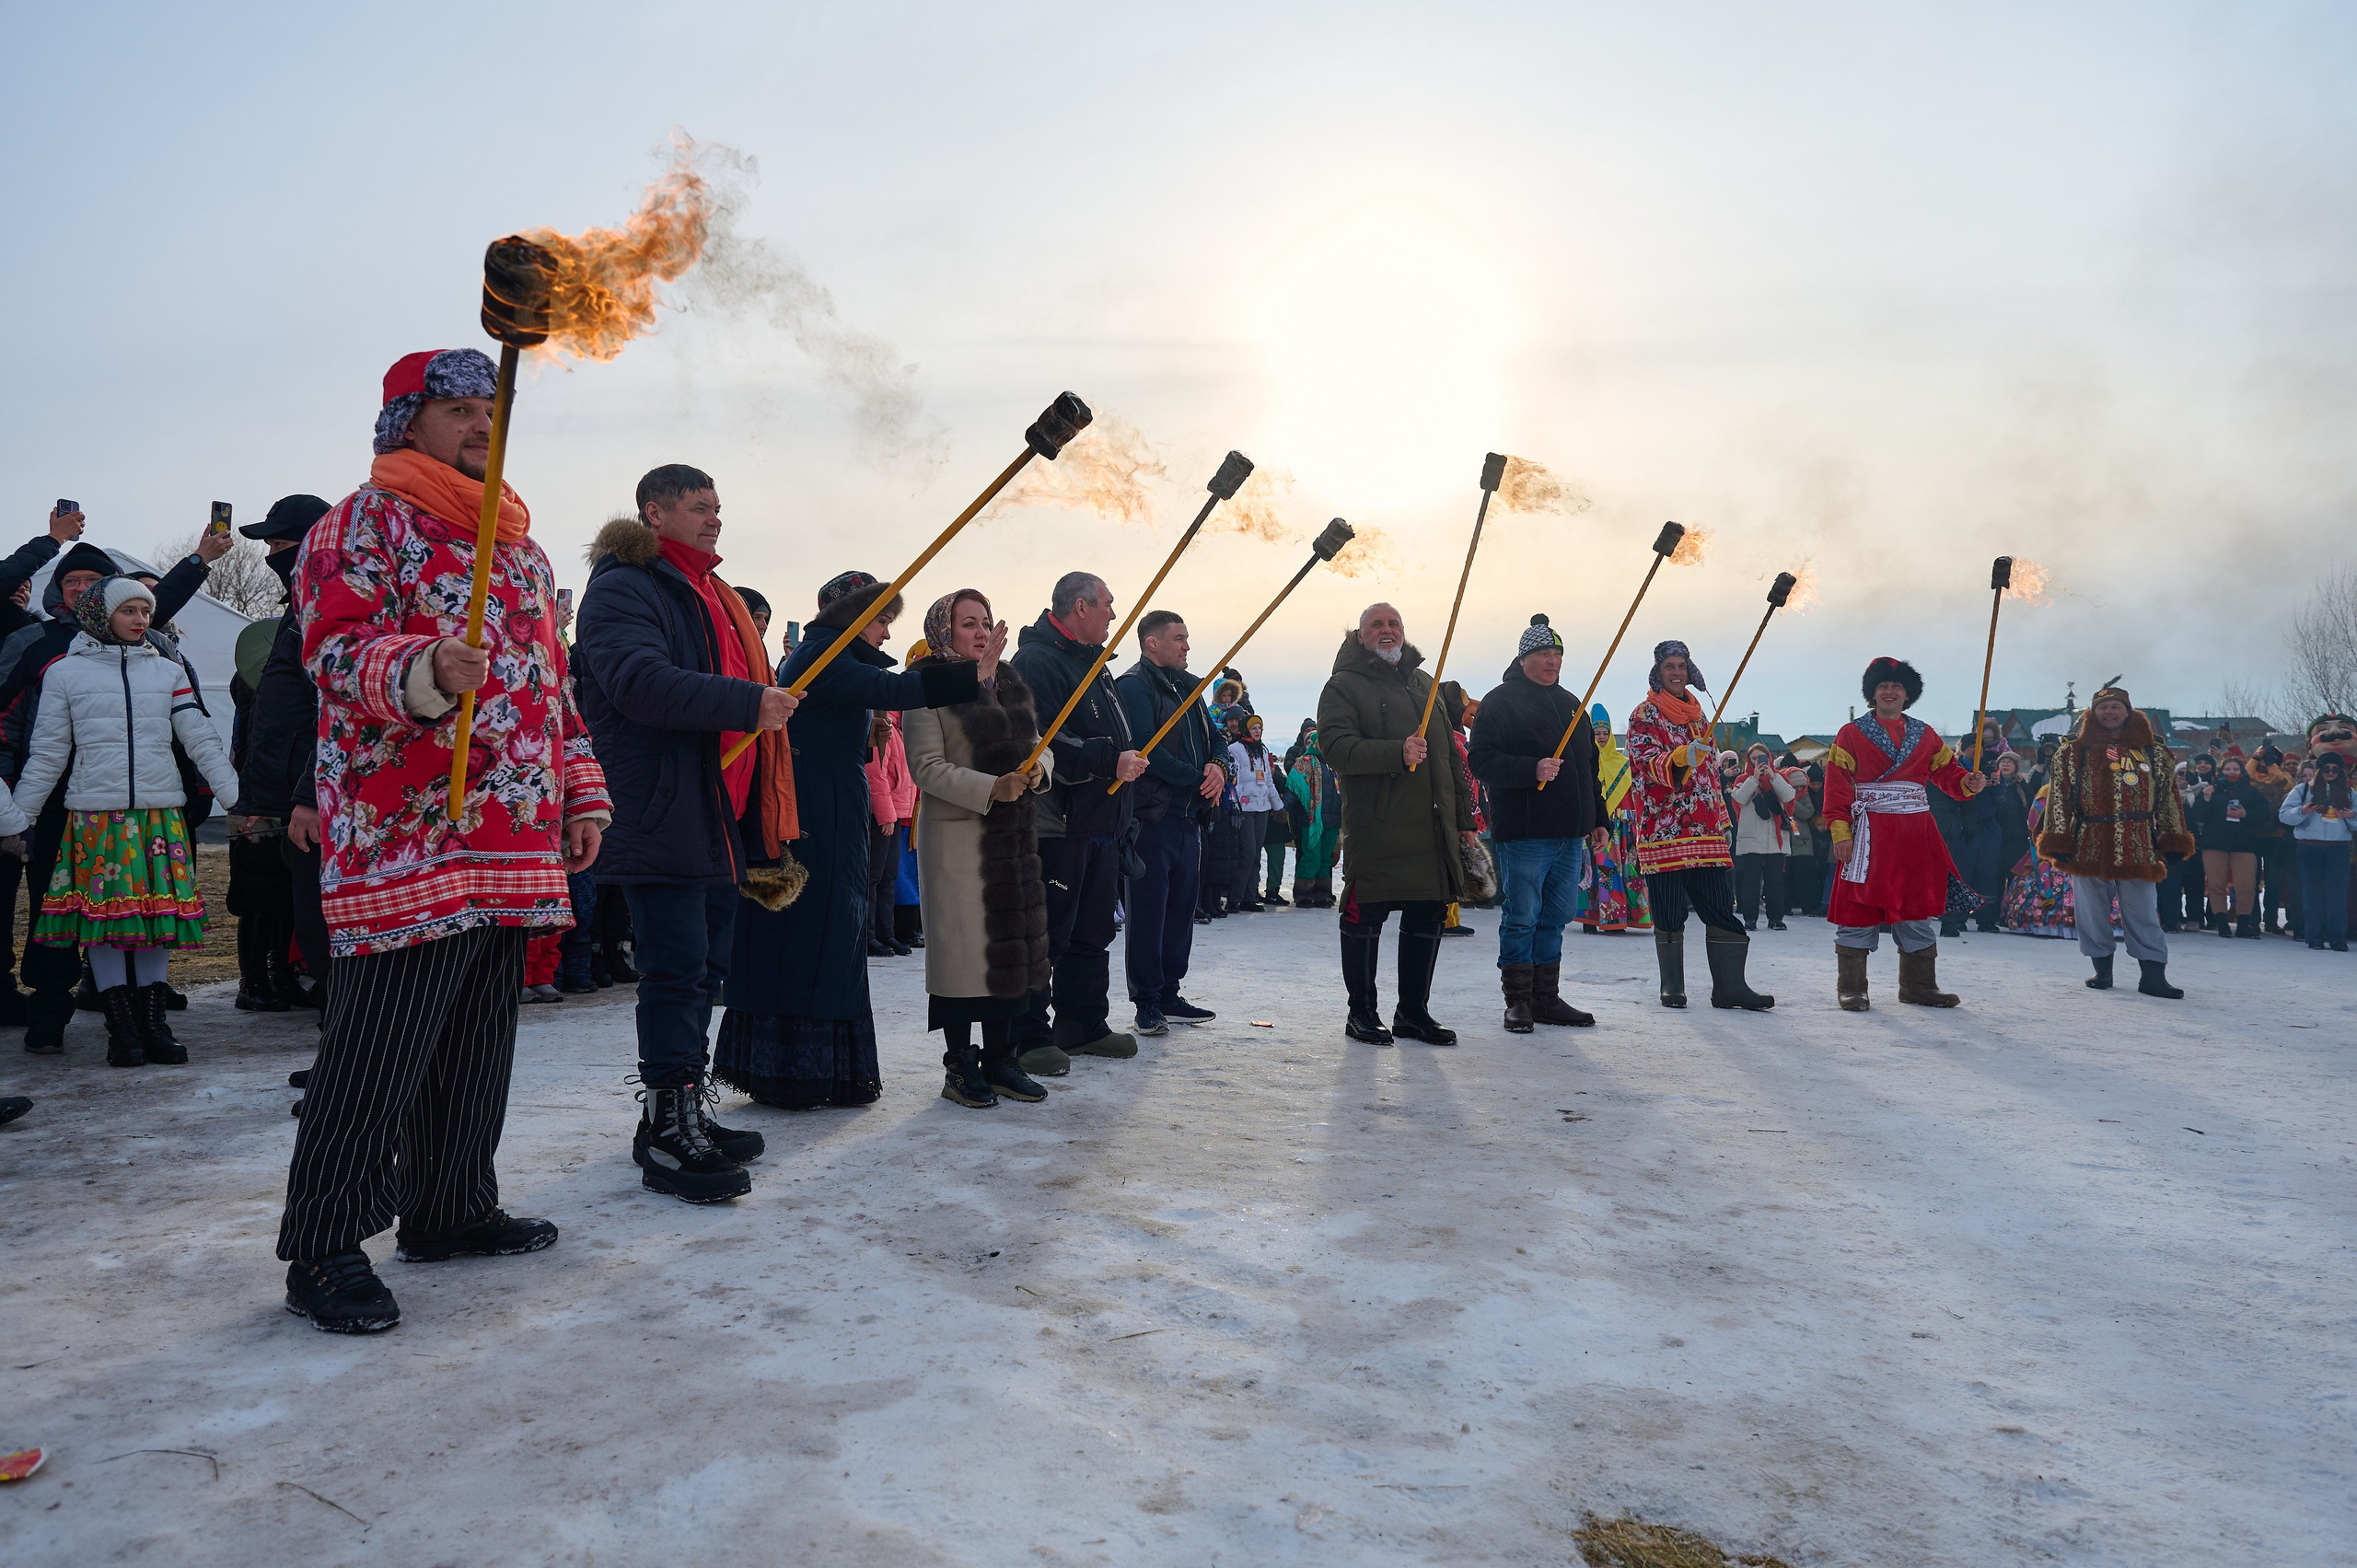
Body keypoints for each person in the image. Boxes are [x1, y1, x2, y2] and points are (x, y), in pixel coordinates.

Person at [276, 346, 609, 1333]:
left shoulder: (521, 547)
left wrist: (580, 793)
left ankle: (451, 1206)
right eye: (459, 408)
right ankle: (325, 1242)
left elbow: (554, 687)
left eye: (490, 409)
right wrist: (423, 666)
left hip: (509, 829)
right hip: (404, 832)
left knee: (476, 1041)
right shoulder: (360, 523)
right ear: (405, 424)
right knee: (375, 1048)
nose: (480, 425)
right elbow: (333, 650)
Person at [574, 466, 800, 1203]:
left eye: (718, 508)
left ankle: (685, 1106)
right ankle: (668, 1125)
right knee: (673, 971)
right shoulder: (623, 588)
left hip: (714, 810)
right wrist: (748, 701)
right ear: (654, 510)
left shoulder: (709, 592)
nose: (715, 520)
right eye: (700, 507)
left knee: (705, 971)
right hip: (658, 805)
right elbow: (638, 681)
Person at [714, 570, 982, 1109]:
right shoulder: (824, 656)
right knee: (814, 935)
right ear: (852, 618)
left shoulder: (837, 658)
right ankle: (794, 1072)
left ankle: (822, 1070)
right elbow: (897, 689)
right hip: (812, 817)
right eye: (881, 619)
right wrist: (975, 673)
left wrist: (864, 742)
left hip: (832, 808)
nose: (886, 632)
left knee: (836, 934)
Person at [0, 526, 226, 1049]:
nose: (81, 587)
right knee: (55, 908)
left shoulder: (157, 647)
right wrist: (13, 800)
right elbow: (8, 722)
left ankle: (134, 1017)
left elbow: (187, 724)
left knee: (143, 910)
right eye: (71, 580)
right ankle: (49, 1013)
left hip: (147, 800)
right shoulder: (34, 643)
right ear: (59, 591)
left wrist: (198, 795)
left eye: (92, 580)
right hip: (59, 802)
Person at [902, 589, 1054, 1107]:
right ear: (943, 631)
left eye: (985, 621)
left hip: (1012, 842)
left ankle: (1002, 1060)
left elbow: (1042, 740)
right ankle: (960, 1065)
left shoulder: (1008, 681)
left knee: (1010, 954)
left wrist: (1038, 769)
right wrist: (990, 787)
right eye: (968, 623)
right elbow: (925, 766)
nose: (981, 632)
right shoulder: (929, 686)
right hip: (960, 845)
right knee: (963, 959)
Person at [1317, 603, 1481, 1044]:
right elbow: (1335, 747)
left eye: (1394, 624)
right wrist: (1396, 752)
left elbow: (1449, 758)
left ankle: (1413, 1012)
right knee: (1364, 916)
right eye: (1376, 625)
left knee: (1428, 915)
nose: (1386, 631)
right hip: (1378, 826)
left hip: (1432, 827)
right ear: (1360, 635)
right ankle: (1362, 1014)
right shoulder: (1343, 686)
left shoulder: (1424, 683)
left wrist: (1464, 820)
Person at [1006, 572, 1149, 1076]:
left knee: (1092, 930)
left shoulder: (1094, 664)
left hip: (1099, 822)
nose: (1114, 614)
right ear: (1081, 606)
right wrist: (1106, 760)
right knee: (1046, 933)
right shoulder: (1037, 661)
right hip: (1057, 820)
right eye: (1108, 605)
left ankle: (1082, 1023)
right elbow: (1036, 738)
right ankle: (1026, 1034)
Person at [1468, 612, 1608, 1031]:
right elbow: (1481, 761)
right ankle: (1518, 1002)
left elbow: (1589, 767)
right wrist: (1532, 768)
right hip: (1527, 831)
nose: (1553, 661)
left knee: (1557, 915)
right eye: (1544, 653)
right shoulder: (1500, 701)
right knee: (1523, 914)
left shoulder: (1571, 704)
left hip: (1570, 832)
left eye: (1558, 654)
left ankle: (1546, 998)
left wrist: (1598, 817)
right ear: (1525, 658)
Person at [1822, 656, 1982, 1011]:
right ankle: (1852, 987)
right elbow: (1837, 788)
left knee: (1915, 907)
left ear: (1907, 694)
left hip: (1914, 835)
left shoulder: (1925, 735)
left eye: (1896, 687)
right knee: (1857, 908)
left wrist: (1967, 783)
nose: (1889, 691)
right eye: (1883, 686)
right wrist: (1840, 831)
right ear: (1873, 693)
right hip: (1868, 835)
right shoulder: (1850, 734)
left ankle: (1919, 985)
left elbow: (1949, 777)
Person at [226, 494, 332, 1014]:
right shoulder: (294, 608)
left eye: (280, 542)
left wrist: (307, 787)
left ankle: (292, 984)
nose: (271, 552)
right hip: (270, 780)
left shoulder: (328, 602)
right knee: (263, 887)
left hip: (306, 784)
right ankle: (260, 979)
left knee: (306, 901)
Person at [1623, 642, 1773, 1010]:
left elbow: (1708, 775)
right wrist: (1677, 757)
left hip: (1705, 830)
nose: (1677, 672)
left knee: (1720, 905)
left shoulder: (1699, 716)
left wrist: (1722, 819)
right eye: (1670, 666)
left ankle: (1729, 988)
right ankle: (1672, 986)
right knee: (1670, 910)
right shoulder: (1645, 714)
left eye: (1682, 666)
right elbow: (1643, 764)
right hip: (1665, 831)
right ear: (1658, 672)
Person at [2037, 683, 2194, 997]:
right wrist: (2058, 841)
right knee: (2091, 914)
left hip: (2138, 844)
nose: (2109, 712)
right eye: (2102, 707)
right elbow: (2059, 799)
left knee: (2144, 913)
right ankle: (2102, 970)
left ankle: (2153, 976)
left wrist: (2172, 838)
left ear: (2128, 711)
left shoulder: (2155, 752)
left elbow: (2168, 800)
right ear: (2093, 713)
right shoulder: (2072, 752)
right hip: (2088, 841)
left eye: (2115, 707)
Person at [1115, 610, 1224, 1035]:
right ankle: (1145, 1000)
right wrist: (1199, 778)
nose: (1187, 646)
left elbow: (1216, 737)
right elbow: (1148, 751)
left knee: (1181, 909)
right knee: (1149, 912)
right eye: (1179, 638)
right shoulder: (1134, 686)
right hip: (1152, 817)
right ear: (1151, 643)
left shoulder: (1189, 688)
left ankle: (1169, 992)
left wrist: (1217, 765)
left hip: (1188, 818)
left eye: (1187, 637)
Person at [1577, 705, 1652, 935]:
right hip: (1594, 825)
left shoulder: (1622, 763)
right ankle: (1591, 919)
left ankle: (1618, 918)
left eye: (1604, 733)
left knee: (1619, 872)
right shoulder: (1583, 761)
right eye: (1596, 733)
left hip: (1621, 828)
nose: (1600, 737)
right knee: (1594, 870)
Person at [2190, 754, 2270, 938]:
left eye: (2235, 769)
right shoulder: (2211, 789)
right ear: (2221, 772)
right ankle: (2221, 922)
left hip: (2244, 844)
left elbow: (2264, 814)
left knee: (2246, 885)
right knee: (2216, 884)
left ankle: (2243, 923)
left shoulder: (2251, 791)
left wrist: (2245, 814)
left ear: (2241, 771)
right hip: (2215, 843)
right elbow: (2199, 816)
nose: (2231, 772)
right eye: (2228, 769)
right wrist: (2207, 798)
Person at [2280, 749, 2351, 950]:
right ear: (2319, 769)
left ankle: (2337, 937)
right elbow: (2284, 815)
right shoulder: (2303, 790)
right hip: (2309, 847)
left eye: (2335, 769)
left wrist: (2352, 816)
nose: (2330, 772)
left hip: (2338, 848)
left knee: (2337, 894)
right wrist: (2302, 811)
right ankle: (2314, 936)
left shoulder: (2349, 792)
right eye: (2326, 768)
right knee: (2313, 893)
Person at [1728, 742, 1799, 932]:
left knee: (1775, 881)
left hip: (1776, 839)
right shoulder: (1743, 779)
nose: (1759, 762)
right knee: (1751, 881)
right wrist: (1755, 778)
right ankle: (1750, 918)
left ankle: (1776, 918)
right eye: (1754, 759)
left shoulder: (1780, 777)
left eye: (1763, 758)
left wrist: (1773, 776)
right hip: (1751, 838)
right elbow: (1740, 799)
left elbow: (1789, 796)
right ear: (1749, 761)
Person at [864, 709, 917, 956]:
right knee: (874, 876)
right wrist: (886, 815)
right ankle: (868, 935)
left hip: (894, 812)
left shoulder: (897, 729)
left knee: (888, 876)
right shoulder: (884, 725)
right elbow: (876, 774)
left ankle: (886, 933)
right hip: (884, 814)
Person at [1229, 710, 1283, 912]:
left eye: (1260, 728)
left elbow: (1268, 780)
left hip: (1262, 807)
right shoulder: (1235, 750)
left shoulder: (1262, 750)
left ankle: (1250, 897)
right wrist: (1234, 804)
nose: (1257, 731)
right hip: (1244, 808)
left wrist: (1278, 806)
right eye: (1254, 728)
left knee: (1256, 855)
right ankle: (1235, 898)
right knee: (1248, 853)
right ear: (1245, 730)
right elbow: (1233, 780)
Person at [2246, 743, 2301, 936]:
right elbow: (2246, 773)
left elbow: (2285, 785)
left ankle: (2271, 921)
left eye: (2268, 759)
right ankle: (2252, 919)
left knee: (2274, 881)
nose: (2263, 762)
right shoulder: (2250, 778)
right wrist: (2255, 757)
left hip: (2275, 835)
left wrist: (2272, 764)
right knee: (2251, 880)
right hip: (2252, 834)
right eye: (2262, 759)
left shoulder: (2282, 777)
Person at [1283, 723, 1339, 908]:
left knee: (1325, 859)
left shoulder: (1334, 765)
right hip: (1313, 820)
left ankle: (1322, 894)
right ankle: (1303, 894)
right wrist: (1283, 809)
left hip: (1332, 820)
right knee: (1311, 858)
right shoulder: (1305, 762)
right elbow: (1293, 787)